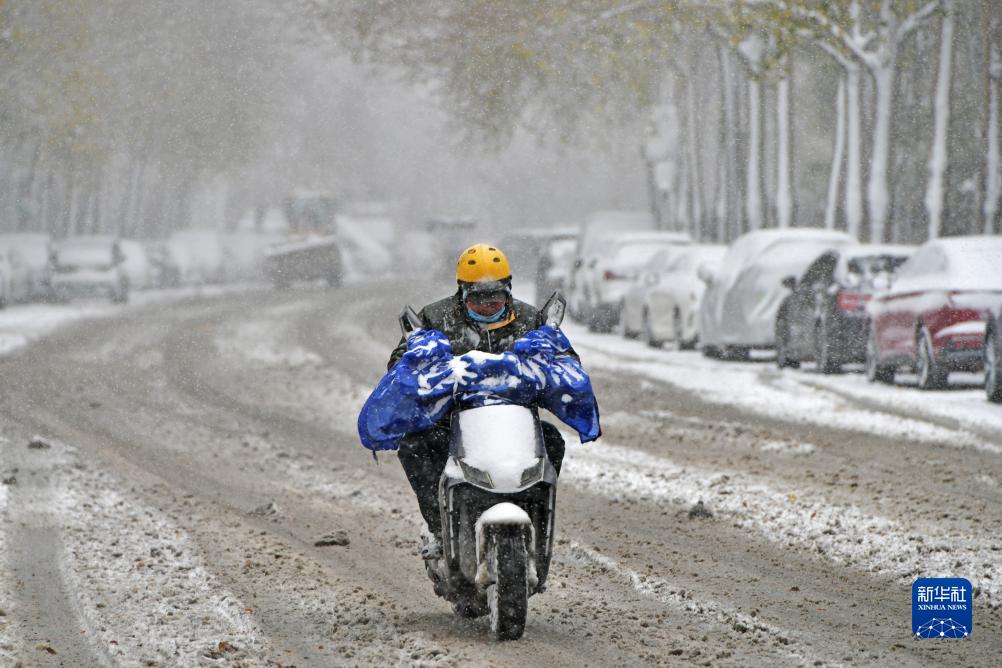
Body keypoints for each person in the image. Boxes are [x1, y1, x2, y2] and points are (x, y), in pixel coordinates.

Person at [387, 243, 575, 560]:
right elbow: (400, 362)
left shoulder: (530, 320)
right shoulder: (435, 318)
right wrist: (422, 373)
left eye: (496, 296)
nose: (488, 304)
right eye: (478, 297)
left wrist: (555, 373)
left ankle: (538, 531)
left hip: (516, 423)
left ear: (509, 290)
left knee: (553, 440)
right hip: (452, 424)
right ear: (463, 292)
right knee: (415, 444)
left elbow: (564, 359)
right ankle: (438, 528)